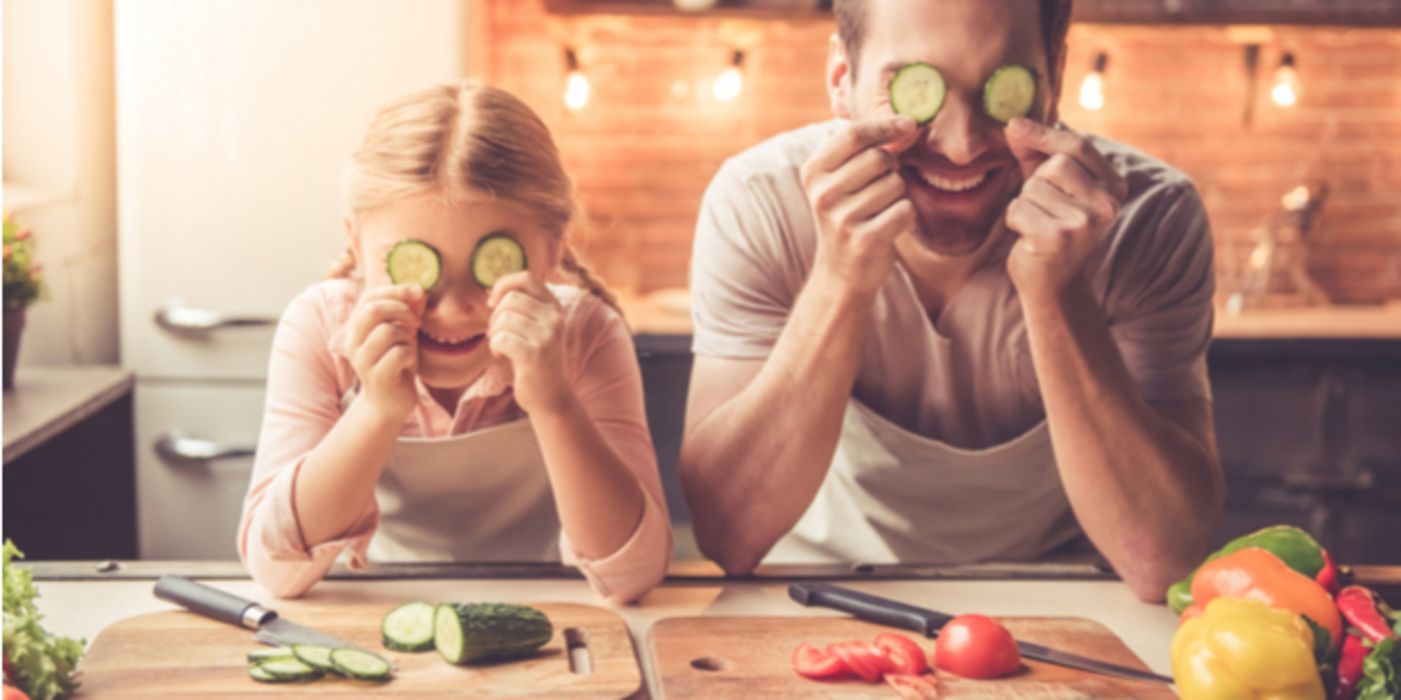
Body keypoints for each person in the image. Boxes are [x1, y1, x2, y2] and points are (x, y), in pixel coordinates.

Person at [680, 0, 1223, 601]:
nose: (962, 145)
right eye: (915, 87)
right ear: (841, 79)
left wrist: (1056, 293)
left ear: (1055, 82)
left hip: (1070, 592)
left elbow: (1164, 558)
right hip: (814, 589)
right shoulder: (760, 201)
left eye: (1001, 90)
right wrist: (839, 280)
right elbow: (728, 535)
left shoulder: (1146, 215)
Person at [238, 81, 671, 603]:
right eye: (419, 266)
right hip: (374, 606)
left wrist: (553, 402)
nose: (452, 308)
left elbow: (633, 576)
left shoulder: (584, 333)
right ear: (357, 244)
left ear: (552, 249)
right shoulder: (318, 325)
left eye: (491, 267)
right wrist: (376, 410)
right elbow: (277, 571)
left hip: (547, 608)